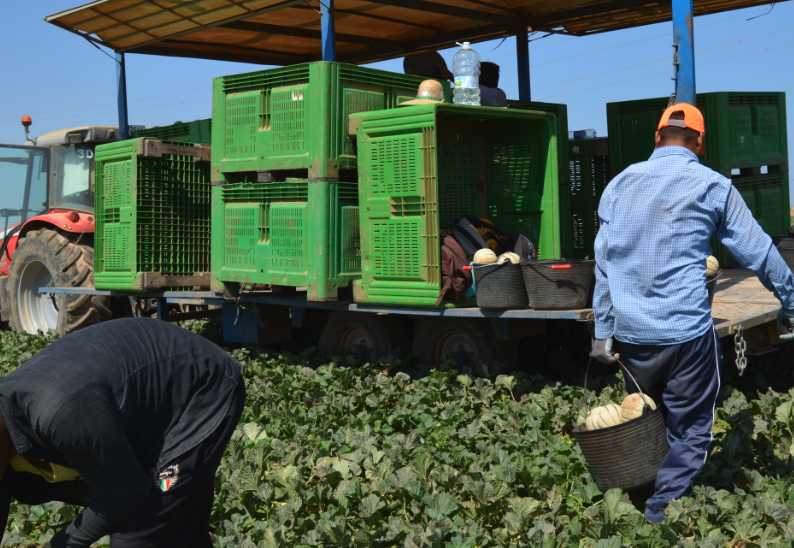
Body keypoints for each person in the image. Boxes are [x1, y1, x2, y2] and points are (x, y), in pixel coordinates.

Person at [591, 103, 794, 523]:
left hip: (632, 334)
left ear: (657, 138)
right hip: (685, 333)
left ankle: (638, 490)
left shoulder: (619, 184)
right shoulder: (713, 186)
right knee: (691, 430)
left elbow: (603, 263)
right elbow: (760, 253)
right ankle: (660, 513)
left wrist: (602, 329)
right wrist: (790, 302)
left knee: (645, 413)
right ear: (700, 143)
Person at [0, 318, 245, 547]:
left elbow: (126, 494)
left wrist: (63, 543)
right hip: (139, 405)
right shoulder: (10, 417)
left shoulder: (59, 413)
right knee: (173, 528)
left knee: (137, 537)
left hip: (198, 390)